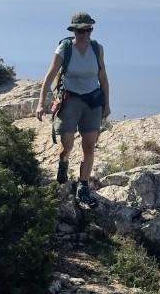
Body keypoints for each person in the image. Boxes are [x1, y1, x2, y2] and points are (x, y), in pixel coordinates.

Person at [35, 12, 110, 204]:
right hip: (71, 98)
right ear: (74, 30)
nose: (85, 33)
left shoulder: (97, 48)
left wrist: (106, 104)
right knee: (66, 143)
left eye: (88, 29)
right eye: (81, 30)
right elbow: (50, 76)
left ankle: (83, 186)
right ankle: (64, 161)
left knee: (89, 145)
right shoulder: (65, 48)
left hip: (93, 100)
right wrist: (41, 104)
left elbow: (103, 77)